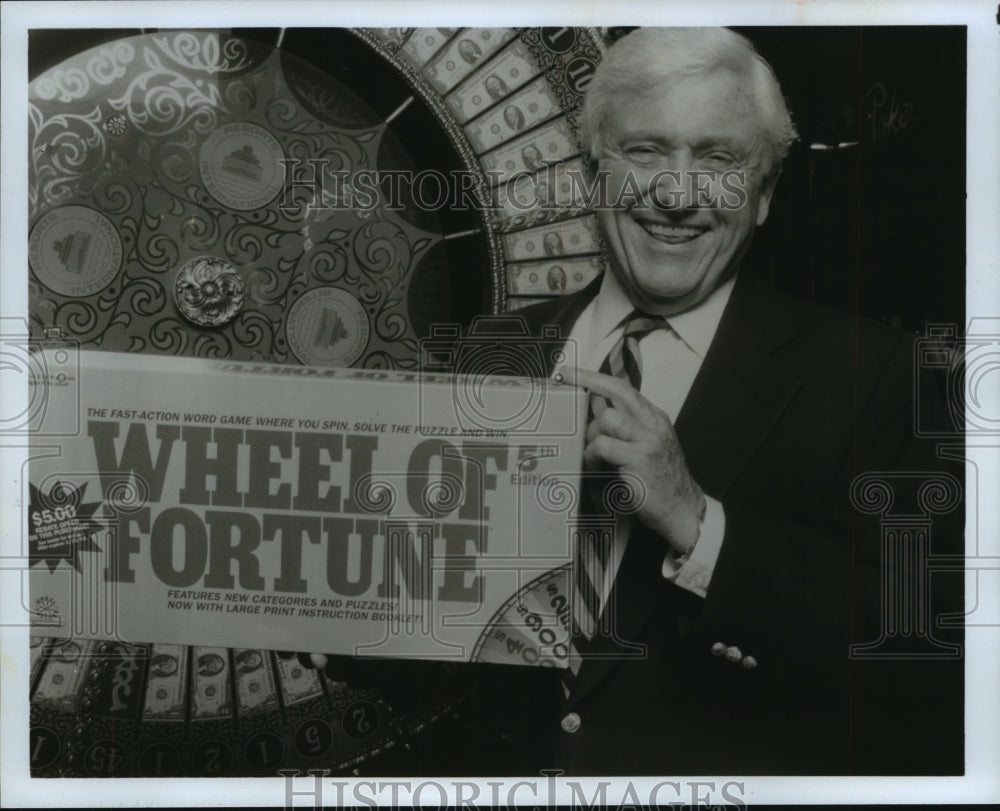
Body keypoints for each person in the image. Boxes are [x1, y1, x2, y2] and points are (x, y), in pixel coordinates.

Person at [291, 27, 963, 777]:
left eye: (718, 159)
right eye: (644, 151)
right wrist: (356, 620)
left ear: (766, 193)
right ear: (591, 173)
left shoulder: (875, 374)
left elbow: (919, 658)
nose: (677, 194)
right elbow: (460, 642)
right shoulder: (496, 348)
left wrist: (697, 522)